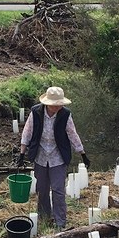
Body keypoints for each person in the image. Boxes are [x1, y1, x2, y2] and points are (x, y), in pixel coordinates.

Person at [17, 86, 89, 230]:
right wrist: (22, 153)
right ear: (47, 103)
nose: (58, 107)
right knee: (42, 189)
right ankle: (44, 217)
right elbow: (27, 132)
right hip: (40, 155)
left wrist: (82, 154)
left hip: (58, 156)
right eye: (55, 104)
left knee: (58, 189)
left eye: (59, 104)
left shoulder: (65, 115)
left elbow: (72, 134)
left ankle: (60, 221)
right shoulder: (36, 112)